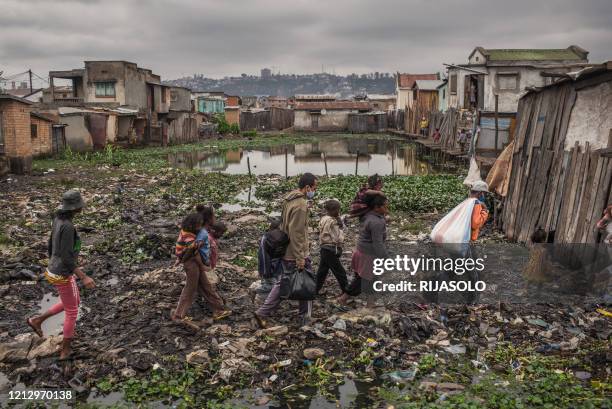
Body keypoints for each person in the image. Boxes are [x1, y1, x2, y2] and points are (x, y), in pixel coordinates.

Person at [27, 190, 96, 360]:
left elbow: (51, 243)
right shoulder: (67, 226)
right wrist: (83, 276)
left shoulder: (57, 219)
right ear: (76, 208)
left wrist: (52, 261)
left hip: (54, 269)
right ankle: (65, 349)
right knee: (72, 312)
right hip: (62, 273)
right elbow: (66, 257)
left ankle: (38, 320)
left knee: (74, 302)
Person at [254, 173, 317, 327]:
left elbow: (285, 226)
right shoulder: (301, 205)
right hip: (296, 251)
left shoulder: (290, 199)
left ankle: (263, 312)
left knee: (284, 282)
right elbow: (296, 233)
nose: (314, 191)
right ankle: (305, 317)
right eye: (314, 188)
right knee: (306, 282)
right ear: (307, 187)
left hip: (287, 249)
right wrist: (300, 257)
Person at [173, 211, 230, 321]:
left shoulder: (191, 232)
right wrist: (200, 264)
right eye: (198, 224)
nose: (199, 227)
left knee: (205, 286)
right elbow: (192, 252)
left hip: (192, 261)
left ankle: (219, 309)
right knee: (190, 288)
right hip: (192, 263)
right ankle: (179, 315)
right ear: (192, 224)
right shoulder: (189, 235)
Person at [338, 194, 390, 307]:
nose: (387, 208)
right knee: (363, 280)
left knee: (371, 278)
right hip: (368, 255)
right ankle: (344, 298)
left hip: (361, 251)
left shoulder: (367, 215)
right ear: (376, 207)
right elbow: (378, 243)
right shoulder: (376, 222)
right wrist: (385, 257)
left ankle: (370, 303)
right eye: (385, 206)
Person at [316, 199, 348, 295]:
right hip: (330, 249)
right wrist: (339, 243)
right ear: (333, 210)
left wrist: (339, 220)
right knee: (340, 272)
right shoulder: (331, 222)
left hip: (324, 249)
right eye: (338, 210)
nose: (339, 212)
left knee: (322, 271)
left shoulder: (324, 218)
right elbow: (336, 236)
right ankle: (346, 291)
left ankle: (314, 290)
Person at [256, 218, 287, 295]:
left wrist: (264, 273)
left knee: (271, 287)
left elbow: (263, 256)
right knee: (273, 286)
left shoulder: (268, 237)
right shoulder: (284, 236)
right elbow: (264, 257)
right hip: (275, 268)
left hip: (273, 268)